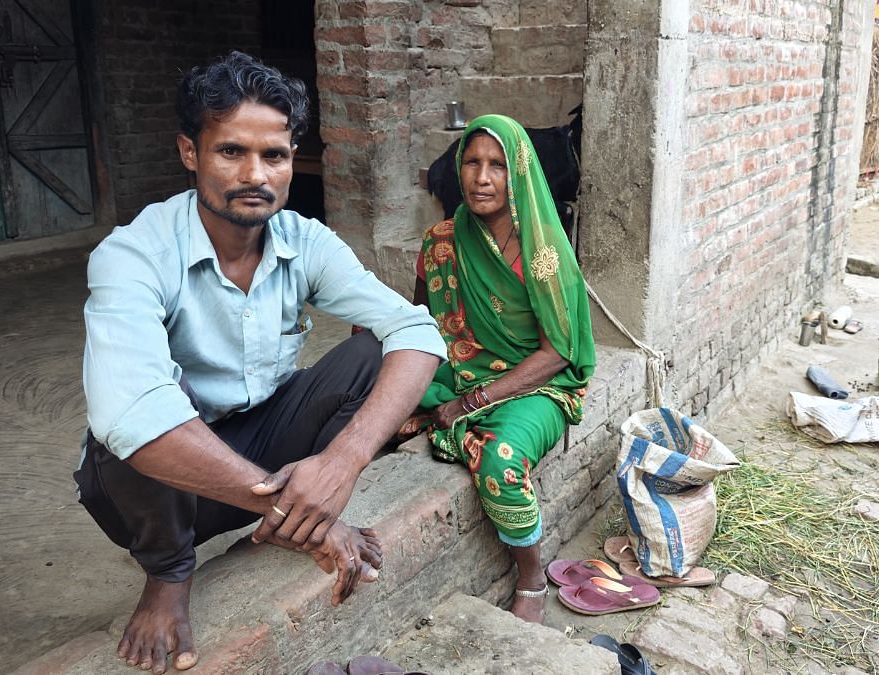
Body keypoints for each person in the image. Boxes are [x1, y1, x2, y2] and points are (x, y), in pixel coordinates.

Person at [74, 51, 444, 674]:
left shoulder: (304, 240)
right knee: (131, 418)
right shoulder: (134, 253)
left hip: (258, 445)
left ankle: (290, 520)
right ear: (190, 152)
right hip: (154, 492)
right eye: (230, 152)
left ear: (292, 159)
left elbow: (415, 329)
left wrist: (340, 464)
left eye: (274, 156)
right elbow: (134, 413)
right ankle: (169, 573)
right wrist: (292, 507)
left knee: (370, 352)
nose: (256, 174)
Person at [404, 114, 596, 623]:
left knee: (501, 462)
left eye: (497, 166)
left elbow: (558, 352)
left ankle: (531, 575)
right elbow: (424, 324)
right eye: (472, 162)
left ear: (520, 174)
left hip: (540, 385)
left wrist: (470, 403)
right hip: (465, 371)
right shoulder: (441, 242)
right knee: (379, 399)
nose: (482, 177)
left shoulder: (545, 252)